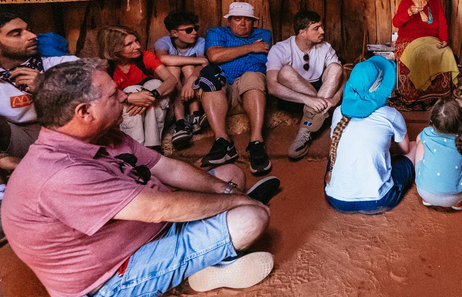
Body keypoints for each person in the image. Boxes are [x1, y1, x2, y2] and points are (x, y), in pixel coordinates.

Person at [1, 59, 279, 297]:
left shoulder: (102, 135)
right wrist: (237, 203)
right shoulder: (60, 174)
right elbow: (160, 208)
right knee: (251, 219)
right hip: (113, 277)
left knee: (230, 174)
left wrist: (228, 193)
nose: (123, 96)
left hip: (152, 228)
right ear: (84, 112)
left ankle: (208, 260)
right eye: (113, 95)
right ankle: (205, 265)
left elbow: (168, 169)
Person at [324, 56, 417, 214]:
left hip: (336, 199)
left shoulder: (338, 112)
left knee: (337, 153)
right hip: (378, 200)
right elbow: (405, 149)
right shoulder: (391, 115)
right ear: (381, 87)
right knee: (415, 146)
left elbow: (335, 142)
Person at [198, 2, 272, 174]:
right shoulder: (216, 32)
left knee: (253, 76)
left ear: (254, 22)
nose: (242, 23)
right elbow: (215, 56)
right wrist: (251, 47)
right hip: (224, 89)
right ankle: (223, 142)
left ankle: (256, 142)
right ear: (229, 20)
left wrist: (229, 52)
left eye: (247, 20)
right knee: (212, 77)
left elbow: (256, 62)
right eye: (237, 19)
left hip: (249, 89)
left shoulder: (263, 34)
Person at [0, 9, 77, 169]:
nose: (32, 36)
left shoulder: (58, 63)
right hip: (18, 138)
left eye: (28, 29)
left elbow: (98, 99)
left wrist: (46, 88)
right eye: (16, 33)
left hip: (63, 132)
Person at [266, 10, 343, 160]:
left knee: (337, 68)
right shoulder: (280, 49)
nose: (323, 31)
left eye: (321, 26)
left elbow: (342, 77)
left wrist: (334, 99)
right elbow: (272, 87)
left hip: (323, 95)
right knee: (286, 71)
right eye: (316, 28)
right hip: (294, 101)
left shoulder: (325, 47)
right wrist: (308, 100)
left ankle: (305, 130)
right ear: (302, 33)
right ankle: (317, 113)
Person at [98, 26, 178, 150]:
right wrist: (128, 98)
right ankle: (136, 148)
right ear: (114, 48)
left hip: (158, 112)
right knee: (130, 90)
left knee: (155, 84)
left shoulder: (146, 57)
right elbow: (100, 94)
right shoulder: (106, 68)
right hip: (128, 117)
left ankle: (153, 147)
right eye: (129, 44)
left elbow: (171, 80)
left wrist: (151, 96)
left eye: (136, 41)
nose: (137, 46)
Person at [392, 0, 458, 104]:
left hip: (431, 40)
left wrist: (444, 39)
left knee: (447, 52)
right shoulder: (406, 3)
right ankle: (416, 95)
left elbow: (442, 23)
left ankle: (441, 94)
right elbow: (396, 22)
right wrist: (409, 12)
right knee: (422, 54)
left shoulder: (435, 3)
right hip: (411, 41)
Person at [154, 11, 208, 149]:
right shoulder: (163, 42)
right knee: (173, 68)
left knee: (190, 67)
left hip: (193, 83)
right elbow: (162, 59)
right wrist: (198, 60)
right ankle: (180, 122)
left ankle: (194, 114)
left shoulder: (200, 42)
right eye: (189, 30)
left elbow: (203, 66)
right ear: (174, 33)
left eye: (196, 28)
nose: (194, 32)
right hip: (174, 86)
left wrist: (190, 82)